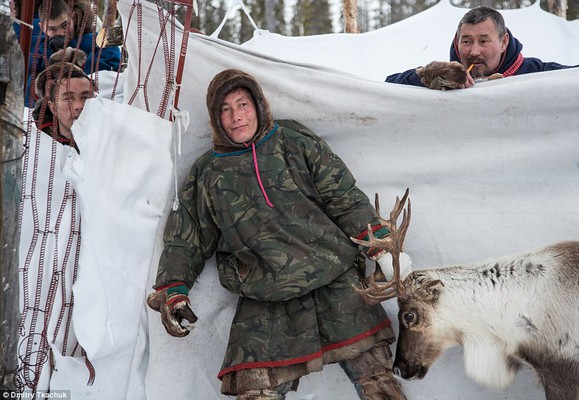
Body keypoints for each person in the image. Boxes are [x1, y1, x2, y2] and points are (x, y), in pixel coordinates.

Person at [147, 69, 408, 400]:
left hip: (334, 277)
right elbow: (187, 238)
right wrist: (173, 290)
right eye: (225, 109)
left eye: (242, 104)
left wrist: (379, 246)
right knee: (257, 392)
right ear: (216, 117)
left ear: (258, 105)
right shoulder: (208, 174)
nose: (236, 116)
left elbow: (342, 196)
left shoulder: (295, 142)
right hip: (264, 294)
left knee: (377, 379)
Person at [385, 6, 579, 90]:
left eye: (483, 41)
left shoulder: (535, 73)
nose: (474, 52)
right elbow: (386, 90)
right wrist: (426, 76)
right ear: (457, 42)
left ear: (504, 41)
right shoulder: (446, 78)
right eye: (467, 41)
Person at [33, 0, 120, 98]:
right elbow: (30, 94)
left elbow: (111, 66)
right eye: (52, 29)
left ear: (72, 18)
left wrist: (76, 60)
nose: (62, 33)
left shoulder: (96, 40)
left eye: (65, 26)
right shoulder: (40, 53)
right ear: (42, 28)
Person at [33, 63, 96, 149]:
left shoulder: (112, 140)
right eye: (68, 98)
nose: (79, 106)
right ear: (52, 107)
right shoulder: (36, 143)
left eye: (85, 97)